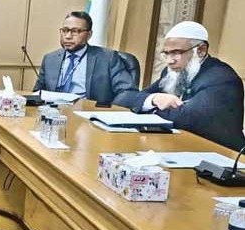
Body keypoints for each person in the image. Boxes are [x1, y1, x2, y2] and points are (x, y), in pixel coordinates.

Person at [129, 21, 245, 152]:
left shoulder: (222, 78)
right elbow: (135, 98)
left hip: (222, 156)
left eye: (176, 52)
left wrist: (151, 108)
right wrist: (154, 99)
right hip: (181, 147)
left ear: (201, 50)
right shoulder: (171, 72)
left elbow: (185, 119)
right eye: (166, 54)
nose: (169, 60)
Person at [33, 10, 137, 105]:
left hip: (86, 116)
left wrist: (106, 111)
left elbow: (127, 91)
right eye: (64, 30)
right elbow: (37, 94)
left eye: (75, 31)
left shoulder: (107, 58)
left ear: (89, 35)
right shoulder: (50, 59)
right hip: (53, 115)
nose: (68, 36)